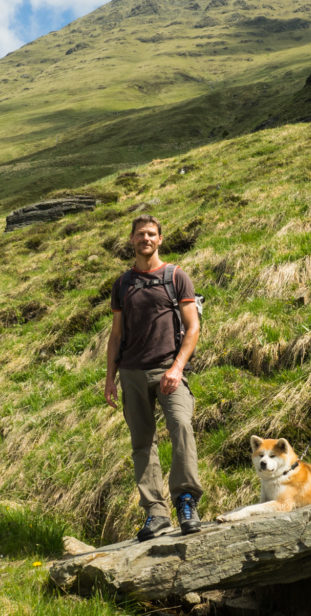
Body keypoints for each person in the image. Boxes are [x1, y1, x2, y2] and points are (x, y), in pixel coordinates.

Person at [105, 215, 204, 541]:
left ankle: (186, 500)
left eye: (151, 234)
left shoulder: (176, 276)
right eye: (140, 234)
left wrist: (177, 368)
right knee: (142, 443)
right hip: (131, 372)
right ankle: (156, 513)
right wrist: (110, 378)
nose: (145, 239)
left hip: (168, 371)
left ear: (160, 239)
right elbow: (116, 334)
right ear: (132, 240)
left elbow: (193, 328)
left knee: (181, 425)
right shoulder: (123, 284)